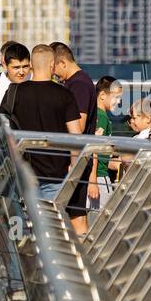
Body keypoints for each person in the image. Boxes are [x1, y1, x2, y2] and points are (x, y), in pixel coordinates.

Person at [2, 44, 82, 202]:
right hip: (56, 174)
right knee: (52, 224)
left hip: (23, 173)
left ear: (31, 65)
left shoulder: (14, 92)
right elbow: (76, 135)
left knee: (26, 223)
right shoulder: (65, 94)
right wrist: (74, 167)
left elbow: (4, 130)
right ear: (52, 64)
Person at [52, 43, 98, 234]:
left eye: (53, 68)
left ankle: (82, 261)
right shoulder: (77, 82)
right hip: (76, 159)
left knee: (76, 219)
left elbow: (77, 126)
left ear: (62, 62)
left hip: (76, 161)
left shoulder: (78, 85)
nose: (53, 74)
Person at [89, 76, 123, 211]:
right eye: (116, 97)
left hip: (98, 176)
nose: (119, 101)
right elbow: (94, 148)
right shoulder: (101, 117)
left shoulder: (98, 115)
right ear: (102, 95)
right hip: (100, 177)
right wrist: (93, 181)